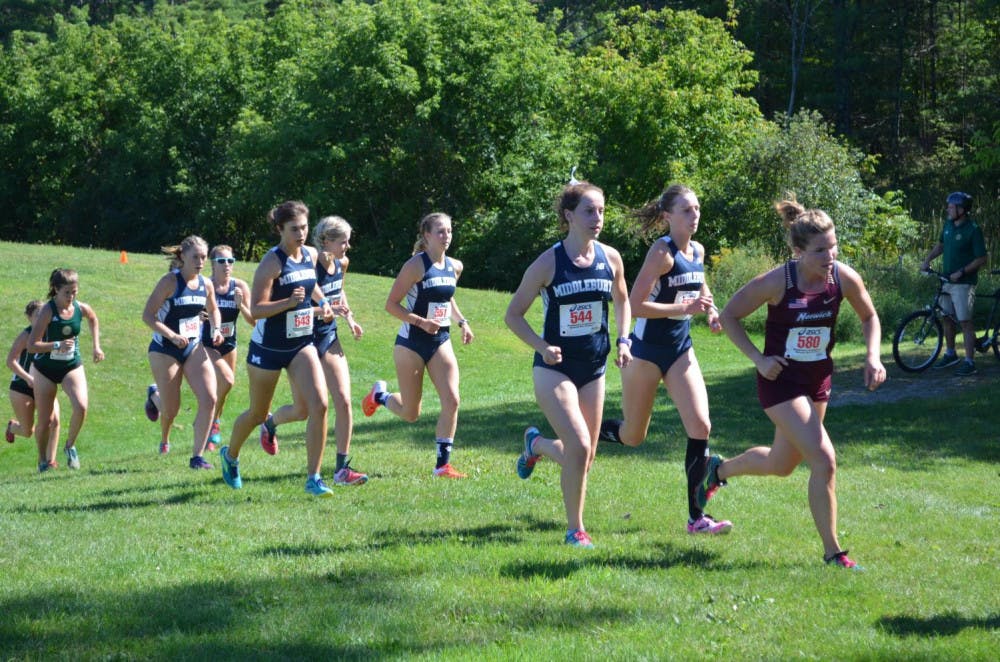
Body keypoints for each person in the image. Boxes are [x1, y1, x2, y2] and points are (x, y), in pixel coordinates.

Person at [713, 196, 886, 569]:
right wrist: (759, 360)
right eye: (821, 250)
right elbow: (729, 316)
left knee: (782, 463)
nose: (830, 256)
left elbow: (870, 317)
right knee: (824, 460)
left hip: (817, 380)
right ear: (798, 251)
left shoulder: (843, 277)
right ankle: (833, 551)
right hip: (780, 382)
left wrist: (873, 356)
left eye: (834, 246)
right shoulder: (777, 281)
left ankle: (716, 470)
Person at [597, 184, 731, 535]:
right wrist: (685, 308)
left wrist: (712, 311)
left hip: (680, 350)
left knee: (700, 426)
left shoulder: (698, 251)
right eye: (686, 210)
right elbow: (635, 304)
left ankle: (696, 518)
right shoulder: (661, 252)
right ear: (668, 216)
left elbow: (701, 289)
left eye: (697, 209)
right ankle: (587, 433)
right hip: (646, 352)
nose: (695, 215)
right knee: (633, 436)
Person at [505, 180, 632, 548]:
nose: (598, 218)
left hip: (594, 368)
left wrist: (624, 340)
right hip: (553, 369)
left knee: (585, 457)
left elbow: (623, 302)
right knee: (577, 446)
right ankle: (575, 529)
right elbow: (513, 315)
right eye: (590, 211)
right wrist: (542, 346)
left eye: (602, 211)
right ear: (569, 216)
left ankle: (537, 445)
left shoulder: (611, 258)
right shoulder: (548, 263)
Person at [219, 200, 336, 496]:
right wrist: (288, 303)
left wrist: (322, 304)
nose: (301, 233)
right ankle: (230, 456)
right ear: (279, 229)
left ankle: (314, 478)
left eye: (305, 227)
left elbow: (311, 287)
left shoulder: (310, 254)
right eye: (294, 229)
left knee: (319, 405)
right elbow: (256, 310)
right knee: (258, 413)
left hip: (300, 344)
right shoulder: (272, 262)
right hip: (268, 348)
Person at [361, 212, 474, 479]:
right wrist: (421, 322)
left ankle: (442, 465)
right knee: (411, 413)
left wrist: (462, 322)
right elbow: (391, 304)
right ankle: (381, 396)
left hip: (440, 341)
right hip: (411, 343)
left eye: (449, 231)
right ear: (427, 235)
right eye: (440, 232)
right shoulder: (415, 266)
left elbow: (447, 298)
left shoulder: (454, 266)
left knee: (452, 400)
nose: (446, 236)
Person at [263, 216, 368, 486]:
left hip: (328, 337)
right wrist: (322, 310)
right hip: (302, 341)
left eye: (348, 240)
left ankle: (342, 469)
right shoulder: (308, 265)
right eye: (342, 241)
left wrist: (350, 318)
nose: (347, 246)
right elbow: (295, 308)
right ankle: (270, 424)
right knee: (303, 410)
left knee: (343, 400)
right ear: (325, 241)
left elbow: (338, 293)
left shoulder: (342, 263)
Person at [142, 236, 223, 469]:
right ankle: (154, 397)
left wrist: (216, 329)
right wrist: (172, 336)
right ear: (183, 257)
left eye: (203, 257)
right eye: (195, 257)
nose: (200, 262)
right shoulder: (169, 282)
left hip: (193, 346)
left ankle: (197, 457)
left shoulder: (206, 284)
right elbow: (148, 316)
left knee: (210, 399)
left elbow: (214, 309)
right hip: (165, 349)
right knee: (171, 409)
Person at [28, 268, 104, 472]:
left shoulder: (80, 308)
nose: (71, 297)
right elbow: (32, 345)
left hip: (71, 365)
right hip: (44, 369)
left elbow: (93, 318)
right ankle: (43, 461)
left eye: (74, 292)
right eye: (66, 293)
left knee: (81, 406)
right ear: (55, 290)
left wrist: (96, 346)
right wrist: (56, 345)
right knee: (45, 421)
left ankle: (70, 447)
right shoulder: (47, 311)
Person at [920, 191, 987, 376]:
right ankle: (951, 354)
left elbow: (981, 258)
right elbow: (940, 245)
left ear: (962, 209)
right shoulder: (948, 225)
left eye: (951, 206)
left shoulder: (973, 229)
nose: (948, 209)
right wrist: (927, 260)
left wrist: (963, 271)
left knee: (965, 321)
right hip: (946, 280)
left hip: (964, 283)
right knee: (947, 319)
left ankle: (970, 362)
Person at [201, 245, 253, 452]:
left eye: (231, 261)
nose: (227, 265)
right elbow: (186, 313)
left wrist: (241, 305)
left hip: (229, 343)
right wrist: (198, 317)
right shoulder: (205, 285)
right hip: (206, 342)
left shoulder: (239, 286)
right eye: (222, 261)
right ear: (213, 264)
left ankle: (214, 423)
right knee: (223, 382)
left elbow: (254, 321)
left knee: (224, 389)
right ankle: (208, 427)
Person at [6, 300, 61, 466]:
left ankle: (48, 462)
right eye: (37, 315)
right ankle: (12, 427)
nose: (42, 318)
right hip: (23, 388)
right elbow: (11, 361)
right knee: (27, 430)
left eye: (44, 314)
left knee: (54, 421)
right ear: (29, 318)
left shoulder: (51, 334)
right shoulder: (27, 335)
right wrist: (28, 378)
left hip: (45, 383)